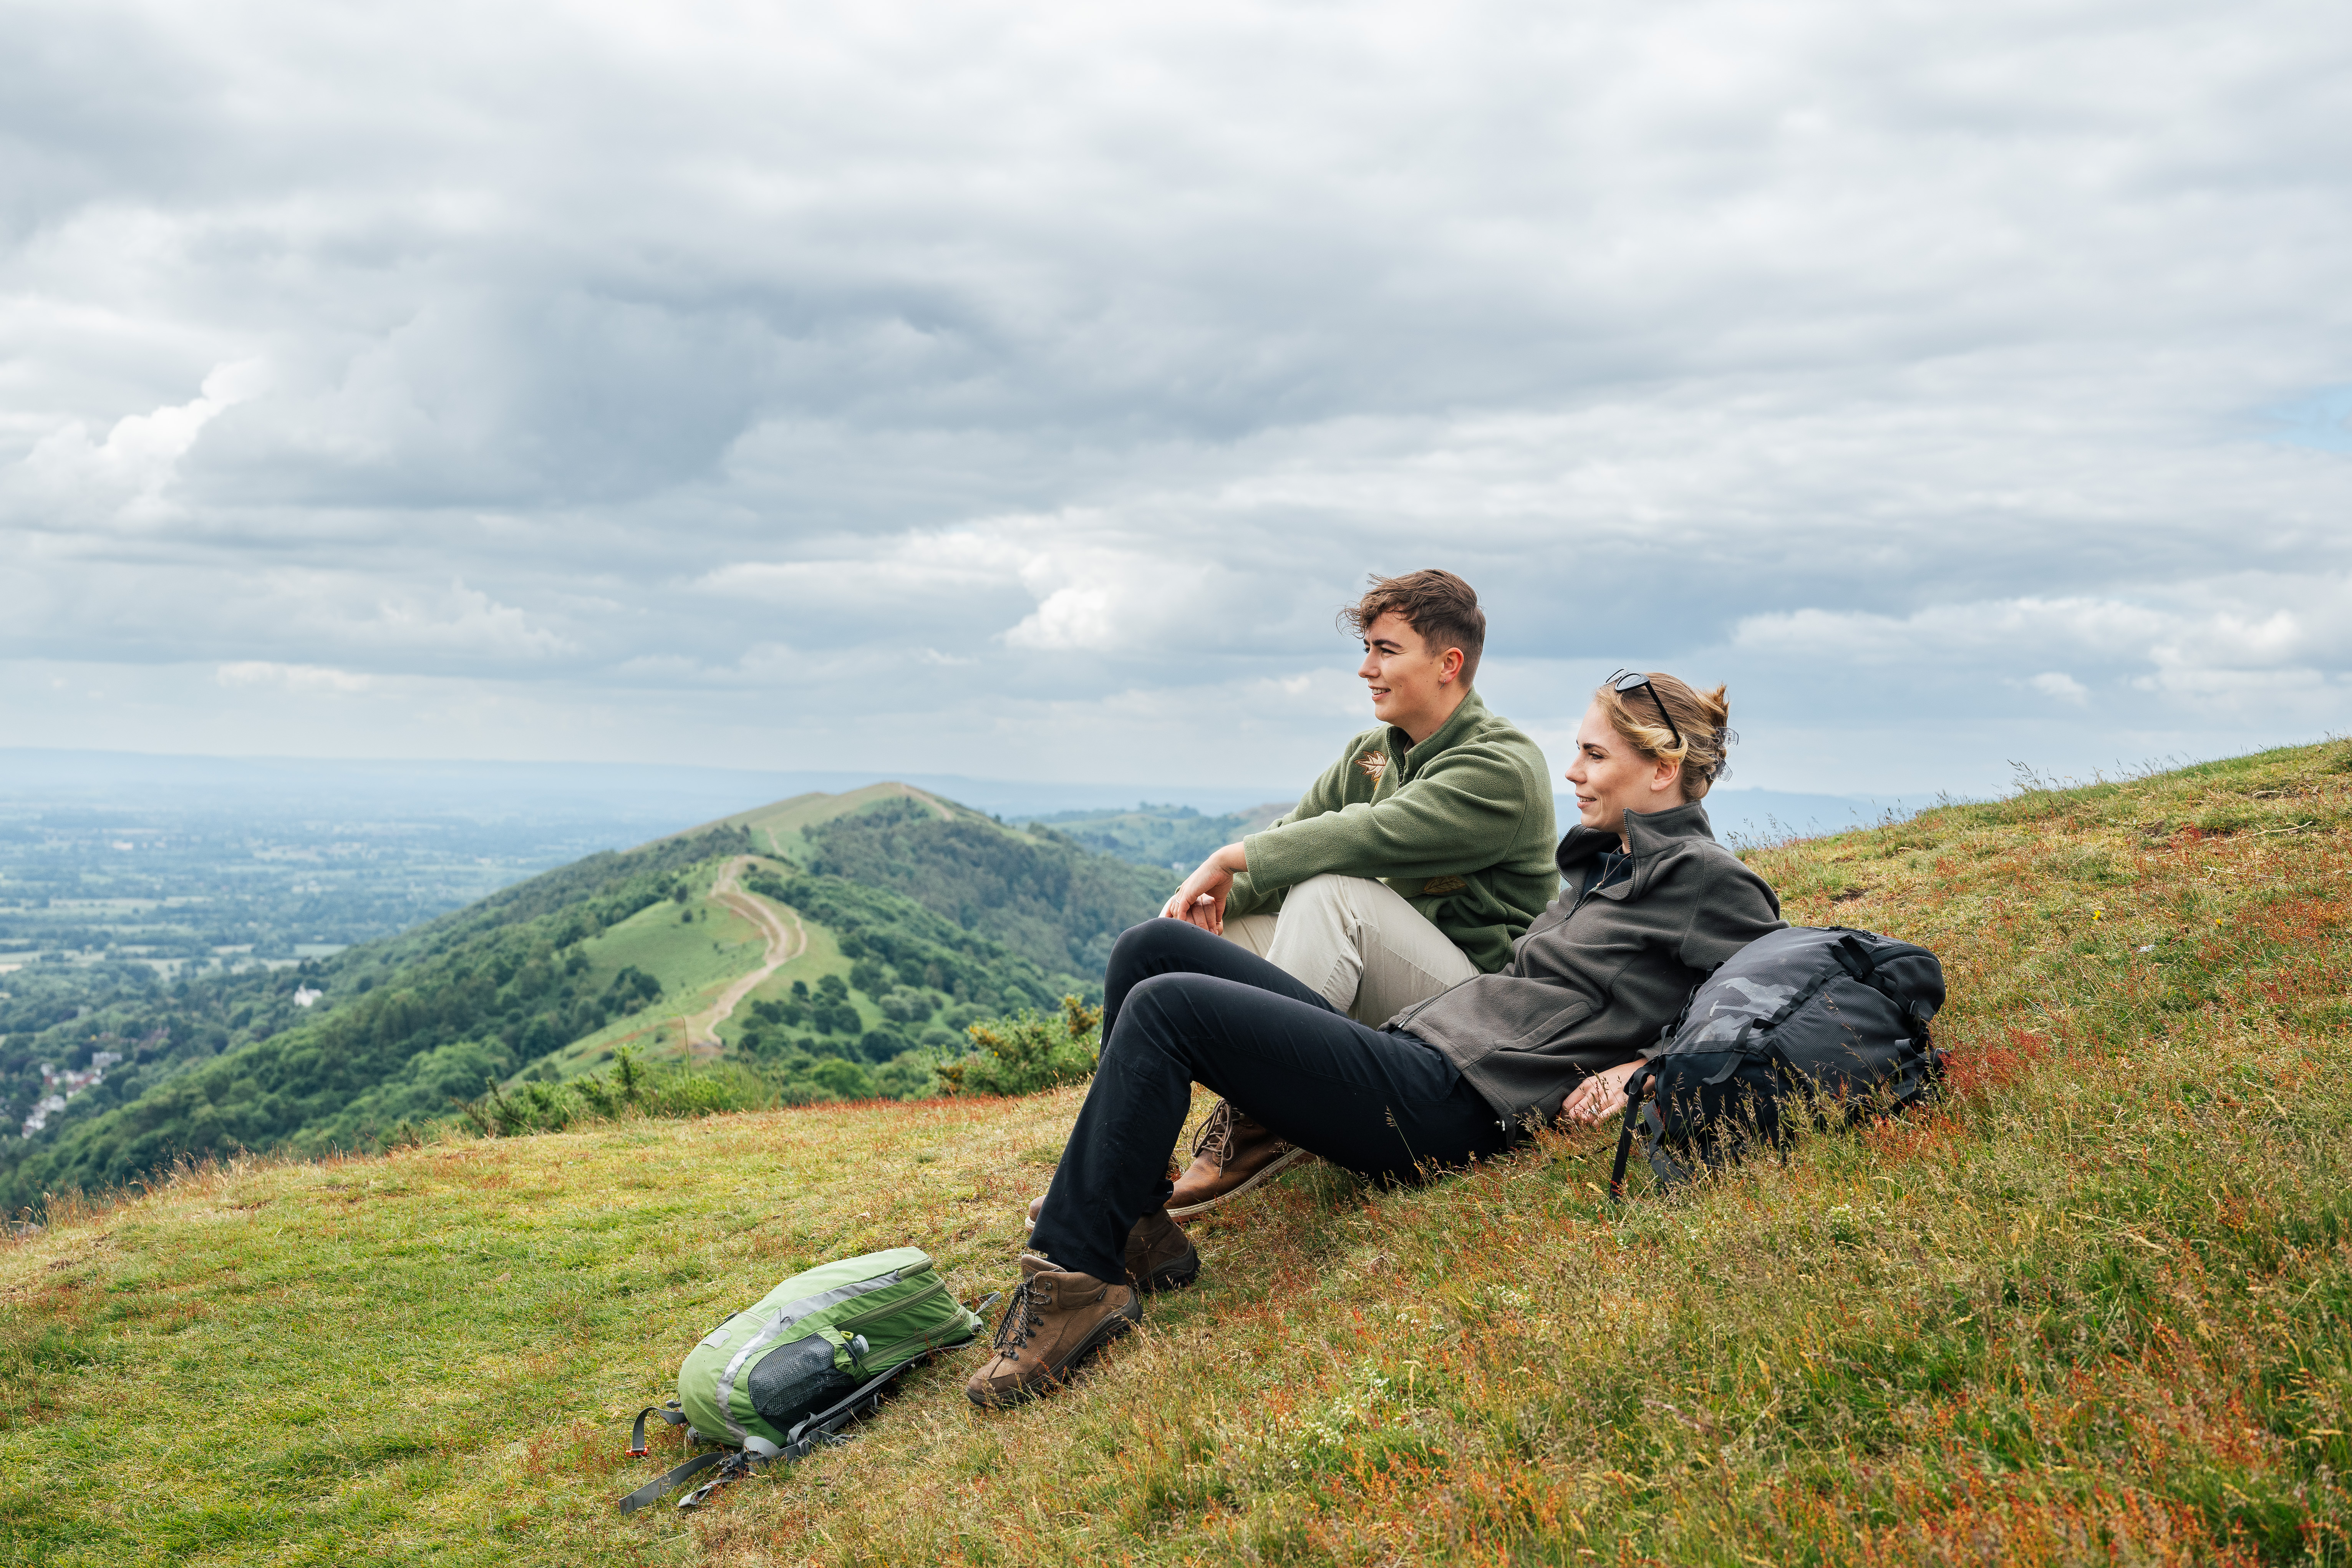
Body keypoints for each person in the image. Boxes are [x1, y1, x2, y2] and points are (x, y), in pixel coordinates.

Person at [968, 670, 1784, 1408]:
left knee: (1166, 1007)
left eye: (1593, 755)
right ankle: (1138, 1228)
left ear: (1661, 769)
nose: (1572, 771)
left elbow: (1774, 995)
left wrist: (1645, 1068)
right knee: (1150, 949)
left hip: (1455, 1102)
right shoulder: (1609, 864)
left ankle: (1077, 1281)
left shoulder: (1703, 877)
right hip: (1424, 1047)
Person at [1149, 569, 1557, 1217]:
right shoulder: (1372, 753)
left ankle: (1264, 1118)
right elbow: (1294, 836)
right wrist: (1195, 903)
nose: (1366, 669)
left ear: (1449, 664)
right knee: (1184, 946)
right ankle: (1134, 1162)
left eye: (1386, 650)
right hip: (1387, 982)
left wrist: (1227, 857)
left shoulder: (1501, 767)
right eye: (1367, 649)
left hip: (1475, 1006)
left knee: (1332, 891)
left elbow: (1366, 836)